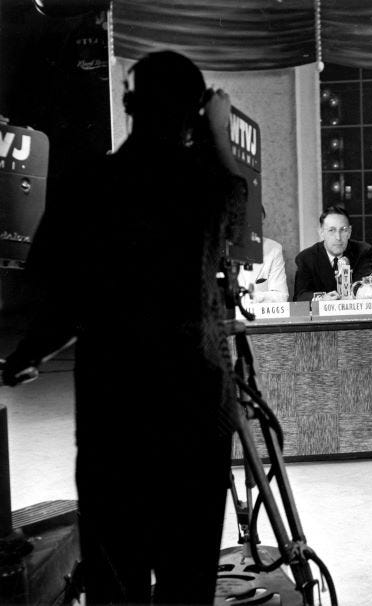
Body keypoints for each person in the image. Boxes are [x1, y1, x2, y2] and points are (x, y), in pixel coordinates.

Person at [2, 51, 246, 603]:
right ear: (193, 110)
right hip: (195, 411)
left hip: (116, 414)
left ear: (129, 104)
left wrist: (29, 353)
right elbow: (236, 201)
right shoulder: (203, 185)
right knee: (188, 581)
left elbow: (59, 295)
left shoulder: (88, 183)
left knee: (117, 579)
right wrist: (216, 131)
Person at [293, 205, 372, 301]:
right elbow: (300, 296)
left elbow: (366, 289)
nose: (338, 237)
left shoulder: (362, 251)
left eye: (343, 230)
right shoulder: (306, 258)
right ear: (321, 233)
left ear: (349, 232)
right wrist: (322, 299)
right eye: (331, 230)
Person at [237, 236, 289, 304]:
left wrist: (255, 297)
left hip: (258, 313)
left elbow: (282, 296)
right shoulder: (219, 250)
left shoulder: (273, 249)